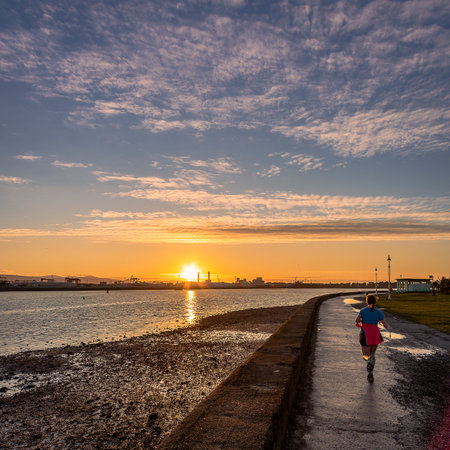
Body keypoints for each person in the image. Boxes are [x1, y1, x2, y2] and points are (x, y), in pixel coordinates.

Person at [355, 294, 388, 382]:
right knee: (372, 354)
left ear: (366, 302)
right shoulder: (378, 312)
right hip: (375, 334)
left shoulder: (362, 311)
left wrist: (363, 320)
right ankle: (370, 372)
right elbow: (385, 325)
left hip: (365, 334)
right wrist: (378, 321)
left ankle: (369, 361)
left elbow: (357, 320)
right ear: (375, 302)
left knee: (365, 355)